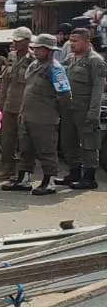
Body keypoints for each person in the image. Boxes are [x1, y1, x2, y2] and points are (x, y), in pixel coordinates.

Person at [4, 34, 68, 195]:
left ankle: (49, 182)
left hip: (44, 118)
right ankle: (24, 179)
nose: (36, 51)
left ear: (49, 50)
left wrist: (54, 112)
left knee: (46, 150)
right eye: (36, 48)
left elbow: (65, 95)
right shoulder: (34, 65)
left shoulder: (55, 69)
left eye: (40, 48)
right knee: (25, 149)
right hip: (27, 115)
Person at [56, 27, 105, 190]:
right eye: (70, 41)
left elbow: (98, 89)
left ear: (87, 41)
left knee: (89, 144)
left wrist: (93, 113)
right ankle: (74, 173)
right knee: (68, 142)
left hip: (85, 110)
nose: (71, 44)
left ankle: (89, 178)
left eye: (76, 41)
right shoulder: (71, 59)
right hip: (69, 109)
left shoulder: (95, 61)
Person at [0, 27, 35, 182]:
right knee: (6, 138)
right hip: (9, 104)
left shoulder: (33, 59)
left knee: (24, 140)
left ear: (27, 41)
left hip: (25, 105)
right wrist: (2, 101)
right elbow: (5, 81)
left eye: (19, 41)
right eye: (14, 40)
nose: (15, 43)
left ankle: (23, 171)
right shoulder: (11, 56)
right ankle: (7, 168)